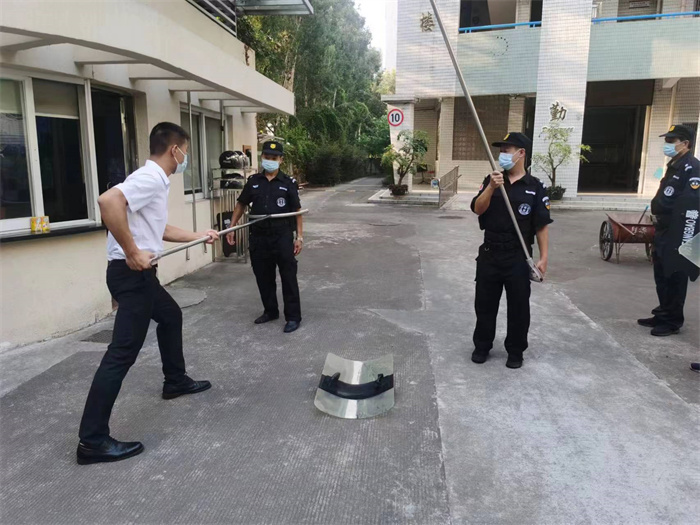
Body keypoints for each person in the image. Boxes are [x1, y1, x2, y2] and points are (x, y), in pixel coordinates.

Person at [77, 122, 219, 465]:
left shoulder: (154, 181)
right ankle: (92, 441)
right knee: (121, 354)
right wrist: (131, 250)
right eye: (186, 151)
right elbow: (107, 201)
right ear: (175, 150)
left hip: (140, 277)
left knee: (170, 316)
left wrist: (198, 236)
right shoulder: (151, 177)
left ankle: (175, 381)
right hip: (132, 276)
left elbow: (158, 227)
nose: (185, 159)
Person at [470, 132, 552, 369]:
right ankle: (482, 346)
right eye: (501, 150)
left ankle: (515, 351)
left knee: (519, 308)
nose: (502, 155)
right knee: (484, 305)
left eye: (507, 150)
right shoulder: (492, 180)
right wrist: (491, 187)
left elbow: (541, 225)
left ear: (521, 153)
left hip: (518, 256)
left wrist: (544, 258)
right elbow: (477, 209)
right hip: (490, 254)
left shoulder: (535, 187)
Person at [226, 140, 303, 333]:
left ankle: (293, 317)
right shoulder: (253, 182)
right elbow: (241, 204)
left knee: (288, 277)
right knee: (263, 276)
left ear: (281, 160)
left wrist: (299, 237)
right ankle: (270, 311)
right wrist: (231, 227)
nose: (270, 160)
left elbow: (297, 211)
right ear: (262, 157)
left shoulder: (288, 183)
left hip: (282, 235)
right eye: (267, 156)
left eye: (274, 157)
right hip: (259, 237)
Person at [638, 124, 699, 336]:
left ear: (685, 143)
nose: (667, 144)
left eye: (672, 141)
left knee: (675, 275)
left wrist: (683, 237)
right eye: (667, 140)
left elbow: (691, 205)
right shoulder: (675, 164)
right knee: (662, 274)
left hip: (679, 232)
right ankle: (663, 313)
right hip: (664, 229)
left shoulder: (692, 168)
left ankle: (672, 321)